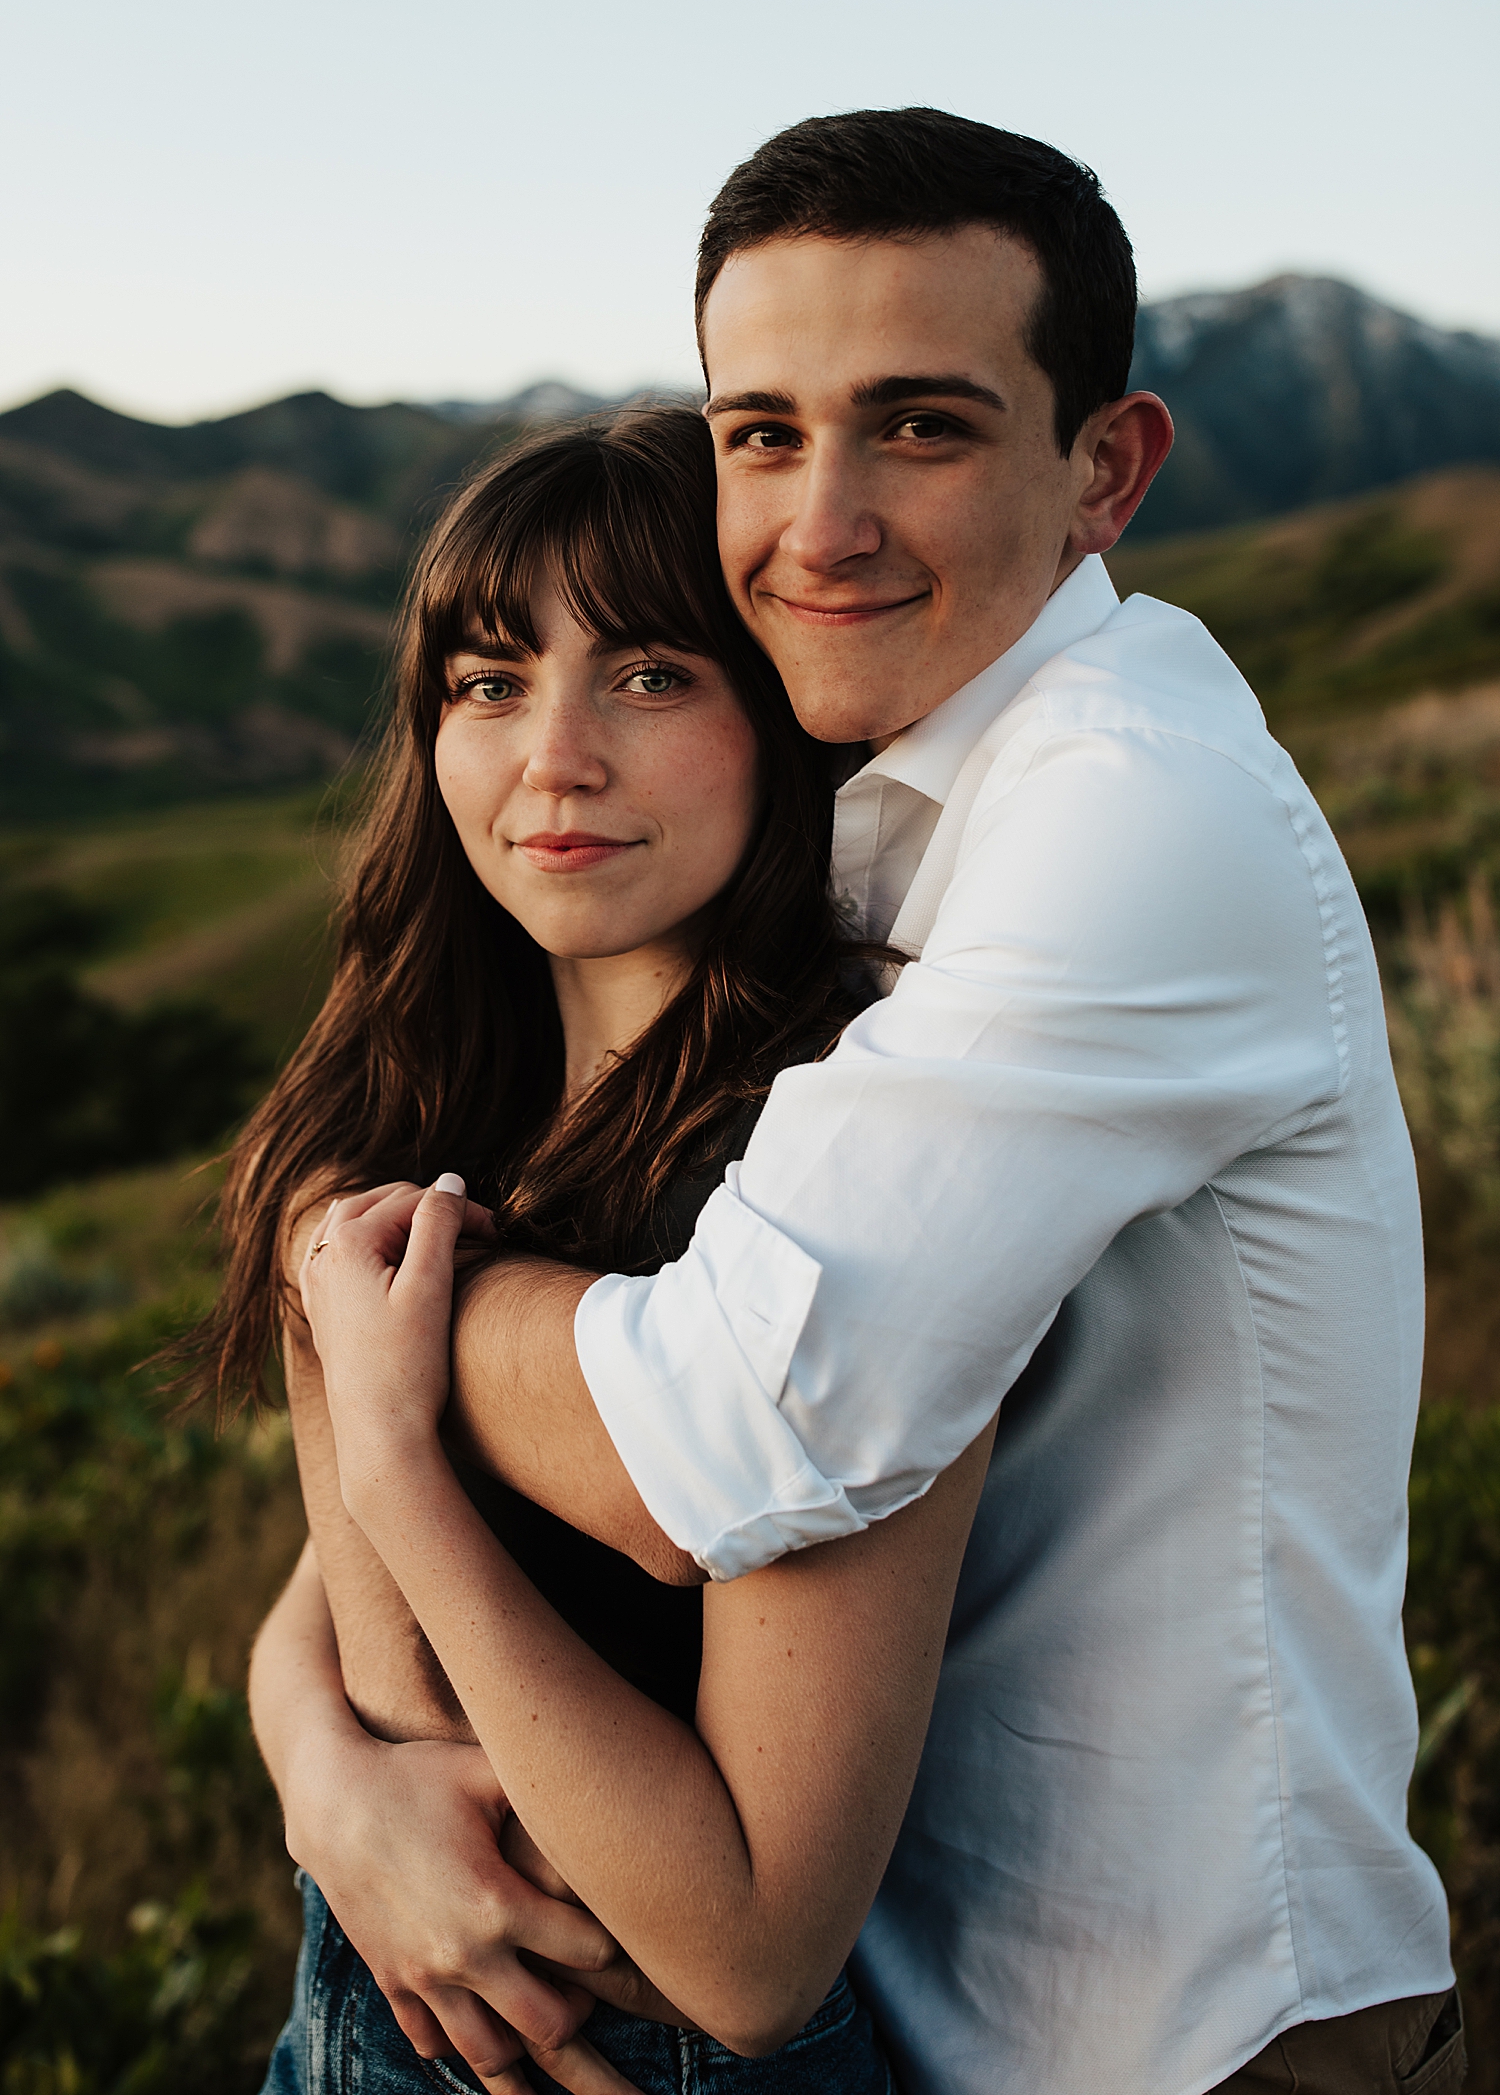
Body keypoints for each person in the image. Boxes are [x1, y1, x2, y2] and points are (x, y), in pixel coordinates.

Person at [253, 111, 1464, 2095]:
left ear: (1105, 469)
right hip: (929, 2015)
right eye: (764, 432)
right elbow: (413, 1532)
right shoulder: (872, 831)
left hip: (1181, 2036)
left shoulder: (1126, 816)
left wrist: (352, 1277)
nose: (820, 526)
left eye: (919, 426)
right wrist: (324, 1765)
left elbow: (728, 1422)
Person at [230, 406, 997, 2094]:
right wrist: (327, 1786)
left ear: (775, 711)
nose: (555, 756)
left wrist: (397, 1468)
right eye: (490, 682)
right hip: (353, 2014)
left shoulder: (831, 1170)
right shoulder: (464, 1102)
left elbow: (751, 1955)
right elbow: (325, 1613)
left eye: (650, 675)